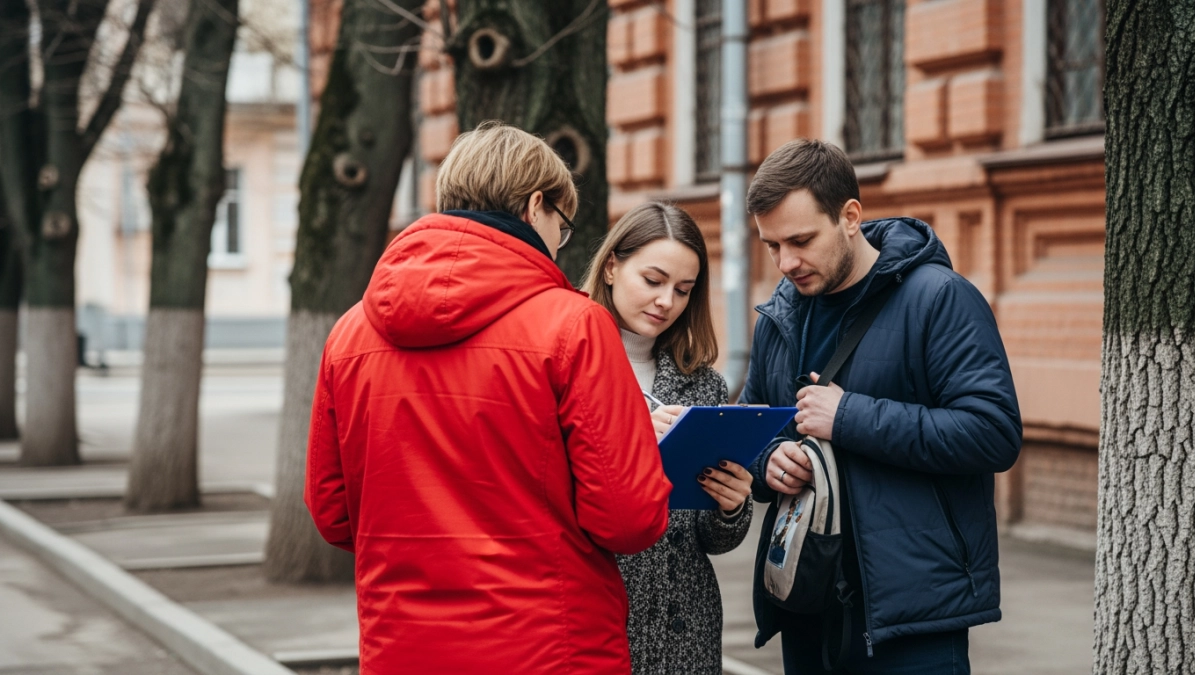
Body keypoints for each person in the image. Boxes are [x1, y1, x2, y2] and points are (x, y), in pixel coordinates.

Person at [304, 121, 672, 675]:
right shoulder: (574, 326)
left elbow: (334, 515)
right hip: (550, 649)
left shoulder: (350, 335)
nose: (560, 243)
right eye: (562, 225)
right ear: (535, 205)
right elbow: (629, 519)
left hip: (402, 649)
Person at [738, 139, 1022, 673]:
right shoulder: (780, 315)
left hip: (911, 618)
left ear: (850, 217)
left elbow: (992, 432)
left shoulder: (940, 298)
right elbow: (752, 429)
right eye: (772, 245)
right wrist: (769, 463)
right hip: (806, 604)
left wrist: (847, 417)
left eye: (801, 240)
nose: (786, 262)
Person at [581, 202, 754, 674]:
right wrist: (630, 438)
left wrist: (731, 505)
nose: (665, 302)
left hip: (685, 627)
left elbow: (710, 539)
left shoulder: (703, 385)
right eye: (653, 281)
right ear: (612, 267)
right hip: (599, 613)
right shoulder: (570, 363)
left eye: (682, 290)